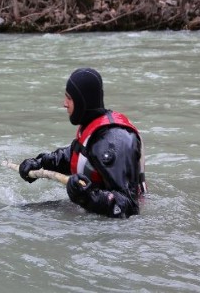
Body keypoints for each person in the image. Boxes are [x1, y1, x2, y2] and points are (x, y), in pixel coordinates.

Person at [18, 68, 147, 218]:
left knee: (21, 215)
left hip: (111, 227)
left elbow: (129, 207)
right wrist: (38, 163)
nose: (64, 104)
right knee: (20, 212)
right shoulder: (94, 130)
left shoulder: (113, 141)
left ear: (82, 101)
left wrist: (87, 197)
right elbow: (74, 156)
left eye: (69, 98)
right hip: (91, 209)